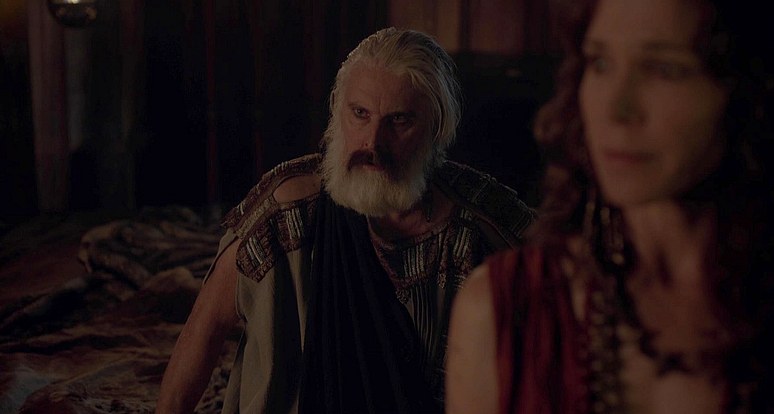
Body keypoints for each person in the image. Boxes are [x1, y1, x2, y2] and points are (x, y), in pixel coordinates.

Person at [445, 0, 774, 413]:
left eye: (664, 69)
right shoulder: (508, 310)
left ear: (750, 88)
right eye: (600, 63)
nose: (616, 109)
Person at [155, 27, 536, 414]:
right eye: (360, 114)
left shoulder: (478, 223)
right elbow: (206, 326)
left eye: (399, 120)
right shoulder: (286, 213)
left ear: (436, 129)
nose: (373, 142)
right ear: (338, 116)